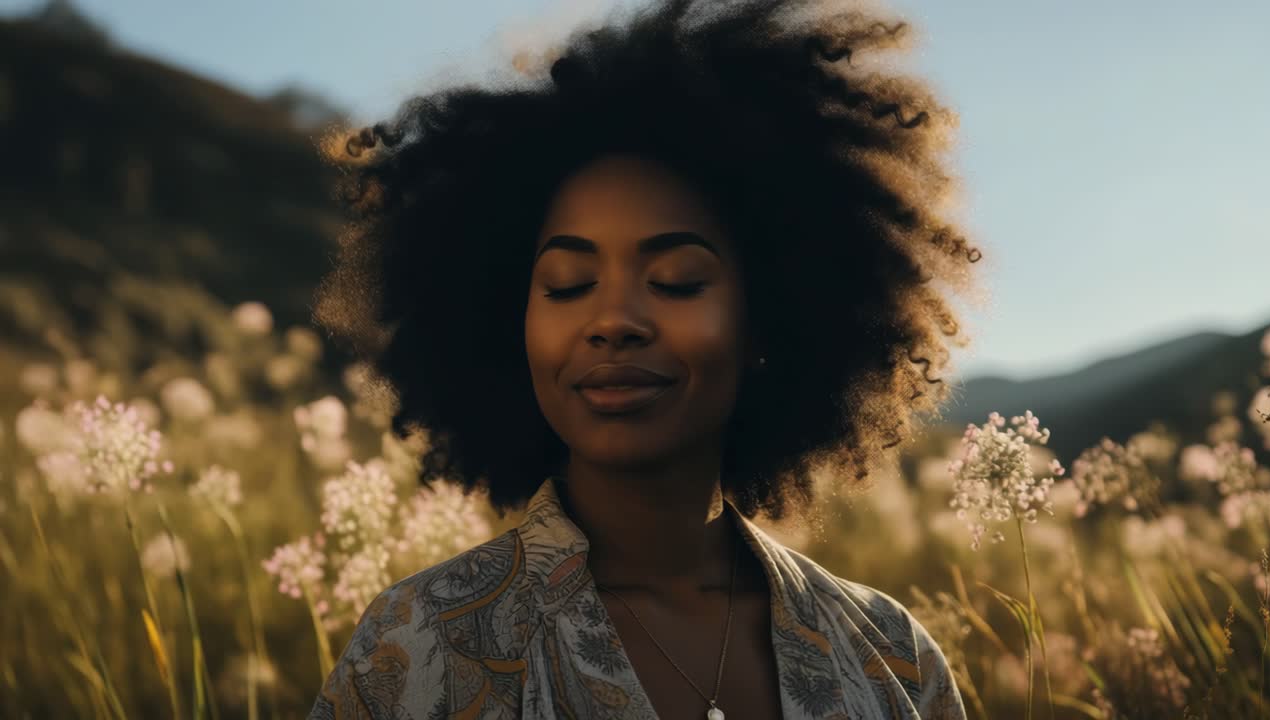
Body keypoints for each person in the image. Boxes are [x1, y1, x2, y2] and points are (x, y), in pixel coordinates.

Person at [306, 0, 982, 717]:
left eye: (677, 281)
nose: (613, 322)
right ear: (508, 324)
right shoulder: (417, 649)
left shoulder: (893, 659)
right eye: (568, 285)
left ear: (767, 318)